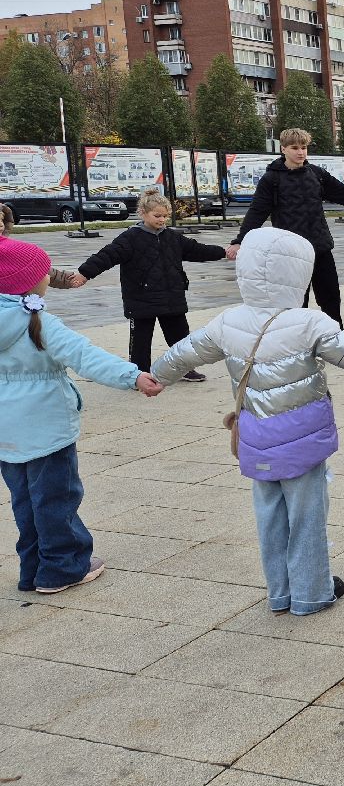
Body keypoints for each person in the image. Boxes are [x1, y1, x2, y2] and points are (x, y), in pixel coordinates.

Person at [152, 228, 344, 615]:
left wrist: (155, 376)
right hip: (302, 440)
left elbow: (184, 353)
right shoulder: (308, 322)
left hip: (255, 437)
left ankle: (280, 592)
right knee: (308, 516)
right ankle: (312, 593)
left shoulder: (228, 322)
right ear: (297, 275)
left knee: (269, 516)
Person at [0, 238, 163, 594]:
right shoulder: (37, 322)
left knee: (25, 502)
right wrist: (132, 376)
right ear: (28, 283)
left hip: (6, 435)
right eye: (43, 272)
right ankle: (63, 567)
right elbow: (86, 356)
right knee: (56, 498)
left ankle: (32, 570)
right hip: (46, 429)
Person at [229, 128, 344, 328]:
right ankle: (296, 342)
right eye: (295, 148)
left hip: (320, 248)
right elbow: (257, 212)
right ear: (283, 149)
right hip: (289, 253)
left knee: (330, 299)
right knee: (295, 304)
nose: (300, 152)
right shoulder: (272, 180)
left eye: (304, 147)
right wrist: (240, 241)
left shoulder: (316, 174)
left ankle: (336, 337)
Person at [72, 188, 226, 382]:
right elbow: (106, 256)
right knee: (141, 341)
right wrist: (84, 273)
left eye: (165, 216)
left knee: (181, 337)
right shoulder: (130, 238)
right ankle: (139, 374)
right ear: (143, 213)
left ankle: (184, 368)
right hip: (141, 298)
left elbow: (197, 250)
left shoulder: (172, 237)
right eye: (157, 216)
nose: (162, 220)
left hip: (172, 297)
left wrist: (223, 251)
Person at [1, 204, 83, 290]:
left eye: (2, 220)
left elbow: (38, 269)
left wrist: (68, 279)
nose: (1, 224)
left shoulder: (11, 252)